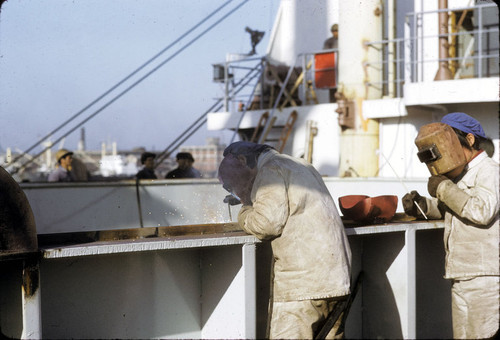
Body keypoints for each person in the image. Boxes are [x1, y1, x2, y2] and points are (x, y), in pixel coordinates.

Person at [218, 141, 352, 339]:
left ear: (242, 159)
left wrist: (245, 210)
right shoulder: (301, 165)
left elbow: (266, 225)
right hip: (337, 281)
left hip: (302, 288)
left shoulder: (270, 171)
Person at [403, 112, 499, 339]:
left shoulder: (490, 171)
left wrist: (444, 188)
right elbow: (453, 207)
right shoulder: (463, 175)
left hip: (485, 280)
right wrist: (422, 206)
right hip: (463, 276)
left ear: (470, 139)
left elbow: (481, 211)